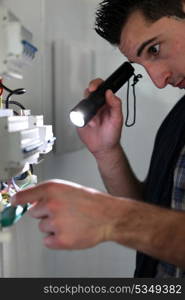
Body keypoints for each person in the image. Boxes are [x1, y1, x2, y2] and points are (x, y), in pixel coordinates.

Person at [11, 0, 185, 277]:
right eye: (141, 65)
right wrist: (107, 151)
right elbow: (153, 212)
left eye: (154, 49)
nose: (158, 80)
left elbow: (140, 222)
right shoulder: (179, 117)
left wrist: (111, 219)